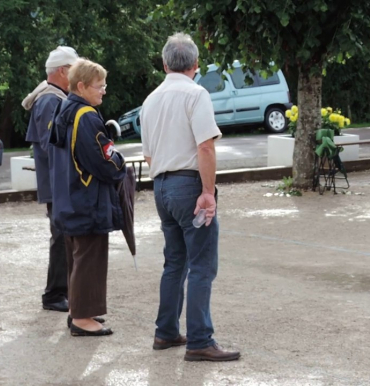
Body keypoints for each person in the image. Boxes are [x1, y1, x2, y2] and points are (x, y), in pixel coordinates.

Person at [139, 33, 240, 361]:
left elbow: (149, 156)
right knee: (201, 264)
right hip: (187, 184)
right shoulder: (196, 94)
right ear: (196, 65)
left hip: (161, 186)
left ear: (165, 63)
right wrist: (207, 193)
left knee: (175, 261)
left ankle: (165, 331)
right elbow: (205, 146)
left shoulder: (150, 100)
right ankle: (200, 339)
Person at [49, 58, 125, 337]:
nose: (103, 90)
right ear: (81, 86)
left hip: (68, 198)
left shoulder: (64, 110)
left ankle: (78, 311)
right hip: (87, 200)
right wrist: (121, 163)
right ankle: (82, 317)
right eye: (99, 86)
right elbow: (104, 161)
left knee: (77, 257)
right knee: (89, 259)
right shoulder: (87, 116)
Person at [22, 46, 79, 312]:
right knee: (61, 238)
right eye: (75, 68)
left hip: (59, 183)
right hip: (58, 185)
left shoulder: (54, 98)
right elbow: (52, 146)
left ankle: (62, 292)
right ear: (62, 71)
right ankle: (55, 294)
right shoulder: (50, 100)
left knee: (65, 237)